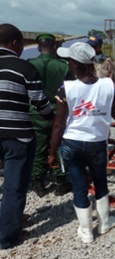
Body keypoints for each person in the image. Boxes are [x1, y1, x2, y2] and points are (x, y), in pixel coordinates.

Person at [49, 42, 115, 243]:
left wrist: (52, 152)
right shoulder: (108, 84)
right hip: (97, 142)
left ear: (73, 64)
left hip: (72, 143)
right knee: (100, 181)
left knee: (79, 184)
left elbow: (59, 124)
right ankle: (104, 223)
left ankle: (86, 231)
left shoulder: (66, 89)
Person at [0, 23, 55, 249]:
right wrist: (54, 119)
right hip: (17, 135)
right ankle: (7, 236)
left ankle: (7, 220)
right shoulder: (24, 68)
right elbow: (40, 103)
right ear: (15, 43)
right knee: (14, 185)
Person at [28, 33, 75, 197]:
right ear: (54, 46)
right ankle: (61, 181)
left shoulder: (30, 65)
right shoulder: (64, 66)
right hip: (59, 112)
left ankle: (39, 183)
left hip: (37, 112)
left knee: (39, 148)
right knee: (60, 145)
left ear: (39, 47)